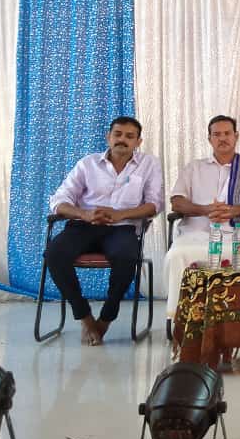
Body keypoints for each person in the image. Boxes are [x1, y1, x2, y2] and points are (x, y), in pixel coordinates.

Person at [47, 116, 163, 346]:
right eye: (117, 134)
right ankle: (84, 315)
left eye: (129, 136)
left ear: (138, 142)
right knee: (55, 253)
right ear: (108, 137)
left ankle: (107, 317)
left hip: (122, 228)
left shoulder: (149, 164)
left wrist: (121, 214)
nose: (122, 140)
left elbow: (154, 204)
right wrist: (84, 214)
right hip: (84, 225)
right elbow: (59, 200)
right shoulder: (87, 163)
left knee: (126, 256)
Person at [164, 115, 240, 322]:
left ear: (236, 136)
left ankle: (238, 318)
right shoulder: (194, 167)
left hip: (237, 234)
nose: (222, 138)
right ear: (209, 139)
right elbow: (177, 202)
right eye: (217, 134)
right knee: (176, 255)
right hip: (196, 234)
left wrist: (235, 211)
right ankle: (182, 318)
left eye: (227, 133)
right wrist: (205, 210)